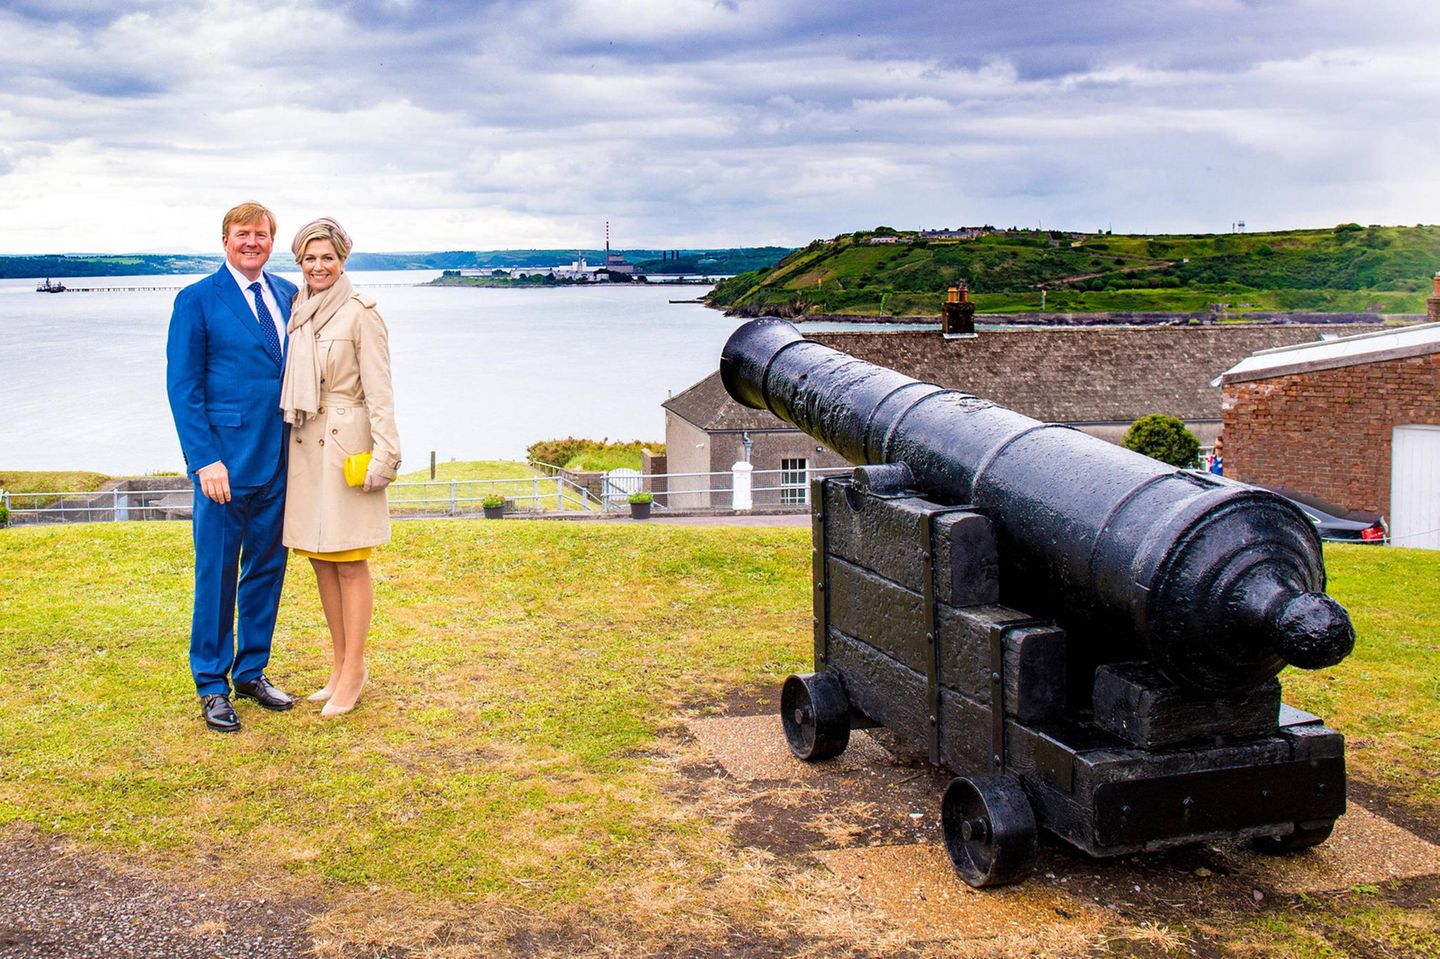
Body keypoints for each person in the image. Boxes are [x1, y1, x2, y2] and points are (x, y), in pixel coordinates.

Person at [166, 201, 297, 733]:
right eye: (242, 234)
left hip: (283, 459)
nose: (252, 242)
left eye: (261, 235)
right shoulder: (196, 300)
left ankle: (252, 671)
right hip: (222, 467)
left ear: (271, 241)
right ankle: (212, 684)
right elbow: (184, 387)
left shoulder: (290, 295)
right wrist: (204, 461)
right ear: (225, 241)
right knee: (216, 575)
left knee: (267, 570)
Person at [280, 218, 401, 717]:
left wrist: (386, 452)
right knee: (319, 558)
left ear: (343, 260)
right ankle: (339, 664)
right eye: (309, 258)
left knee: (350, 561)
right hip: (305, 444)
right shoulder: (297, 310)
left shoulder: (360, 314)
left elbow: (381, 389)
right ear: (299, 263)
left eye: (327, 257)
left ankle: (356, 671)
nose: (318, 266)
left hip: (347, 443)